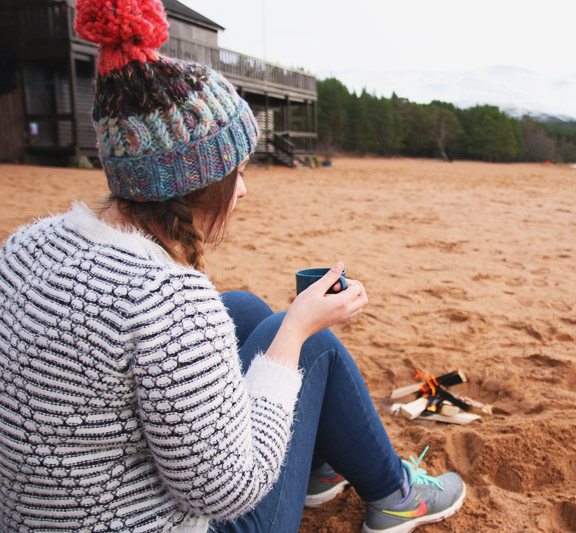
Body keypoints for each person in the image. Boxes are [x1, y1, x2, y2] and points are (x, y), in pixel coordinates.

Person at [0, 1, 466, 532]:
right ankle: (397, 496)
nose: (242, 190)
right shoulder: (165, 298)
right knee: (309, 346)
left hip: (47, 513)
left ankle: (315, 468)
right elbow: (227, 491)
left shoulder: (27, 247)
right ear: (192, 181)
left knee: (242, 309)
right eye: (235, 173)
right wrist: (295, 331)